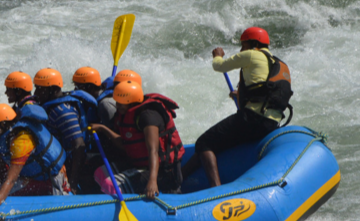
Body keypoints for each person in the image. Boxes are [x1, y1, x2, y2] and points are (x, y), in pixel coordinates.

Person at [182, 27, 293, 187]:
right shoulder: (279, 64)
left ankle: (216, 190)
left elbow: (219, 66)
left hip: (252, 119)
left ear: (253, 44)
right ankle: (178, 179)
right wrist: (239, 94)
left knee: (203, 143)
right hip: (271, 123)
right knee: (217, 142)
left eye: (243, 45)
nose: (241, 49)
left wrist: (218, 56)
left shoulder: (251, 54)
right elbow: (264, 90)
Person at [89, 81, 184, 199]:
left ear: (132, 101)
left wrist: (152, 181)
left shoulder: (148, 117)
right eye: (117, 102)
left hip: (163, 172)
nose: (117, 106)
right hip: (141, 165)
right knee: (100, 173)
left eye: (122, 103)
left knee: (111, 184)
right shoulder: (128, 113)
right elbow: (126, 144)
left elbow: (153, 150)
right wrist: (103, 129)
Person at [0, 103, 70, 216]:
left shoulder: (21, 141)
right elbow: (2, 158)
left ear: (3, 124)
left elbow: (11, 179)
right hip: (34, 176)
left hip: (51, 181)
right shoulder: (11, 133)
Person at [31, 68, 97, 192]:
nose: (36, 93)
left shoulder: (63, 111)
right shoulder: (53, 106)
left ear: (53, 90)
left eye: (40, 88)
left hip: (72, 167)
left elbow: (79, 146)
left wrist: (73, 181)